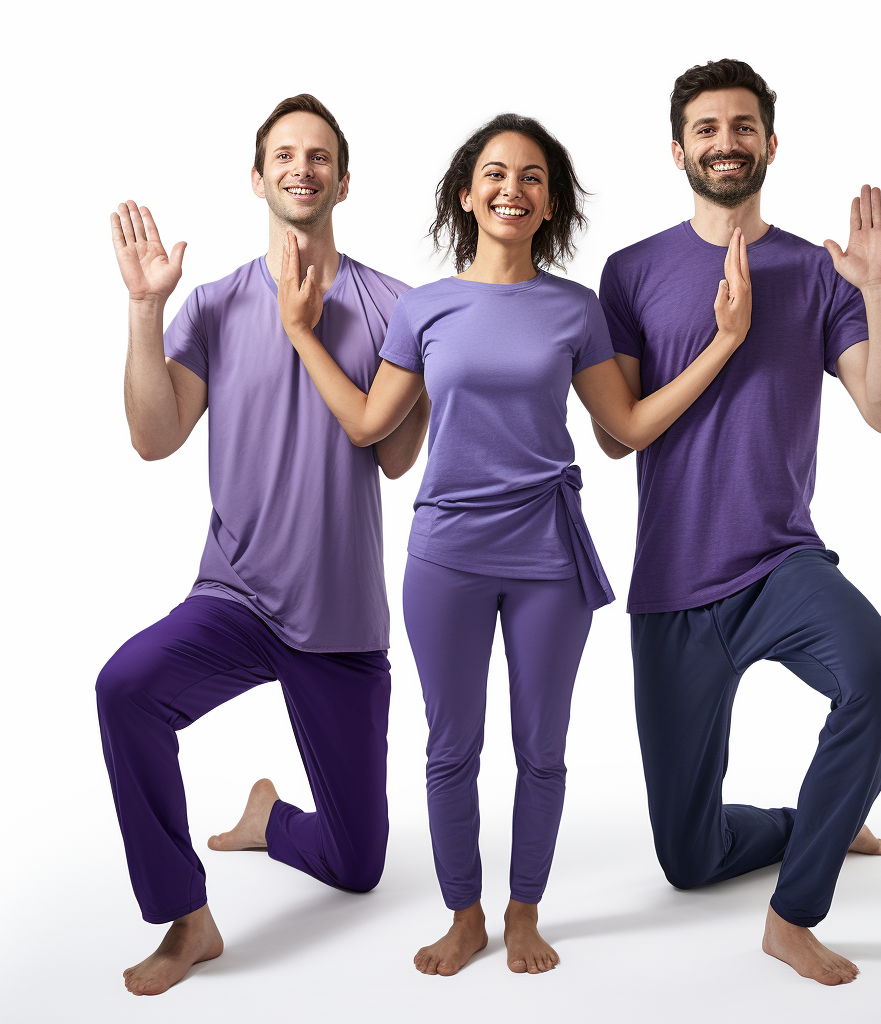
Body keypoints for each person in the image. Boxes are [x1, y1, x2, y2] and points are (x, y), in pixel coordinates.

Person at [275, 112, 752, 975]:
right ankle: (465, 914)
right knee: (451, 747)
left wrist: (722, 342)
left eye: (533, 177)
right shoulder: (425, 307)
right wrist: (304, 332)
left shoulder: (575, 309)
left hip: (547, 562)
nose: (512, 188)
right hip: (445, 556)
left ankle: (524, 911)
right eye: (495, 173)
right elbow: (369, 426)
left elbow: (628, 426)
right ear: (467, 194)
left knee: (541, 749)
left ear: (549, 204)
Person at [97, 93, 429, 997]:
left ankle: (271, 819)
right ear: (258, 177)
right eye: (284, 155)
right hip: (235, 600)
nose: (301, 168)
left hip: (342, 615)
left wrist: (424, 371)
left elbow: (396, 460)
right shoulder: (209, 304)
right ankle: (186, 918)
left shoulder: (393, 306)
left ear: (343, 181)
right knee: (126, 689)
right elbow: (153, 437)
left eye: (319, 157)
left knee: (360, 865)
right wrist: (141, 308)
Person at [593, 59, 881, 986]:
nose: (725, 142)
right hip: (672, 590)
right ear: (677, 148)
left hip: (782, 564)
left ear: (770, 145)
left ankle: (793, 913)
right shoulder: (632, 272)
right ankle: (818, 819)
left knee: (877, 679)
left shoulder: (820, 273)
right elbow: (617, 441)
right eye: (707, 128)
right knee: (688, 861)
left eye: (743, 127)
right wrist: (721, 338)